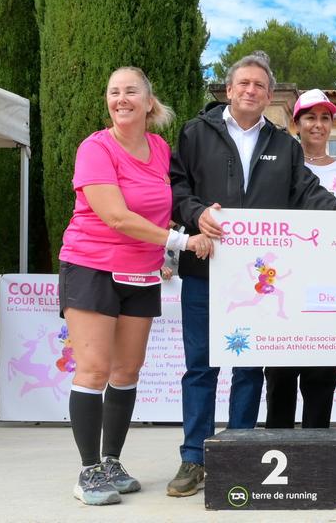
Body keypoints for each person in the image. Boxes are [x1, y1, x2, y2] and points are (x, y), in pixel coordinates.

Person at [168, 52, 336, 496]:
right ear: (228, 90)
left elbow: (307, 193)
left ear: (269, 96)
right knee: (201, 366)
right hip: (204, 270)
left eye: (259, 86)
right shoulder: (194, 133)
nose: (250, 90)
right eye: (243, 83)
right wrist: (196, 212)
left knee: (248, 368)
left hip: (257, 279)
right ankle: (193, 458)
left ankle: (240, 449)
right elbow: (176, 189)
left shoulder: (285, 145)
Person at [58, 67, 212, 505]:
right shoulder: (95, 147)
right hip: (91, 266)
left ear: (149, 102)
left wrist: (194, 224)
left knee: (126, 372)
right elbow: (116, 217)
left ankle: (111, 461)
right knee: (93, 370)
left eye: (130, 92)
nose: (120, 99)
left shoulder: (160, 148)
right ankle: (88, 472)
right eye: (113, 92)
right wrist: (182, 242)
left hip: (141, 273)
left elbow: (165, 207)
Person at [263, 89, 336, 429]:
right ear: (296, 124)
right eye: (310, 118)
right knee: (279, 378)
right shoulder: (278, 165)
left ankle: (317, 452)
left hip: (325, 289)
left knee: (320, 378)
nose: (318, 125)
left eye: (325, 118)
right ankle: (279, 445)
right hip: (282, 286)